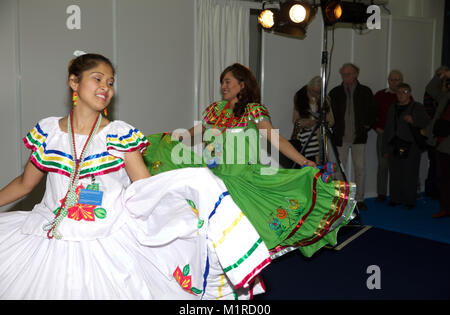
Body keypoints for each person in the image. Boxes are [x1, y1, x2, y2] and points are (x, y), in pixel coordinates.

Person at [0, 54, 270, 300]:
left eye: (110, 82)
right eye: (97, 79)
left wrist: (192, 185)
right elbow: (25, 183)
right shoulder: (48, 132)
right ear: (74, 82)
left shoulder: (119, 134)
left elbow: (144, 188)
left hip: (108, 242)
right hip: (46, 239)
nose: (105, 87)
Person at [143, 63, 357, 260]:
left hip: (243, 179)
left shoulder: (253, 111)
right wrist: (169, 139)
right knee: (214, 230)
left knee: (245, 231)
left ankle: (243, 271)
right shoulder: (214, 111)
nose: (223, 86)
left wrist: (303, 161)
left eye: (228, 81)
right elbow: (192, 133)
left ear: (242, 84)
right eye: (222, 82)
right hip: (213, 179)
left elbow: (276, 139)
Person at [329, 63, 377, 210]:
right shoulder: (335, 92)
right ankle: (341, 199)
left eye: (348, 74)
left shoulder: (365, 91)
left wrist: (367, 125)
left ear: (356, 74)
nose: (345, 77)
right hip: (340, 137)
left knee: (360, 168)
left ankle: (360, 199)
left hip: (359, 137)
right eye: (343, 74)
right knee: (338, 169)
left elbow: (373, 110)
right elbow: (329, 112)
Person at [382, 83, 430, 209]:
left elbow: (427, 122)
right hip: (394, 144)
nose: (401, 95)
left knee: (410, 173)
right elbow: (387, 128)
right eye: (398, 92)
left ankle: (410, 201)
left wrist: (413, 120)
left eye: (404, 92)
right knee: (395, 173)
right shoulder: (392, 107)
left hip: (411, 145)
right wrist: (385, 148)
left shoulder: (417, 106)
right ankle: (395, 198)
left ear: (409, 93)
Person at [373, 70, 403, 202]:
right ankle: (381, 193)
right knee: (383, 164)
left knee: (398, 165)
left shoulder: (405, 96)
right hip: (383, 135)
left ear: (401, 81)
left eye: (397, 80)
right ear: (388, 81)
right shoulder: (380, 95)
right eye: (392, 79)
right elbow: (371, 113)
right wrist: (375, 127)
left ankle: (397, 194)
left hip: (400, 137)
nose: (394, 82)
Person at [290, 76, 335, 164]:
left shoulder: (325, 99)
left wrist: (321, 124)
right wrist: (306, 123)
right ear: (309, 87)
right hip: (304, 140)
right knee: (305, 166)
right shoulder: (300, 97)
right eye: (313, 91)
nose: (315, 94)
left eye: (318, 92)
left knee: (321, 166)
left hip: (320, 139)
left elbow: (331, 121)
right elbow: (295, 120)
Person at [424, 68, 450, 218]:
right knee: (442, 178)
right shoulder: (445, 96)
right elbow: (430, 89)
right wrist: (438, 76)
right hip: (440, 142)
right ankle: (445, 207)